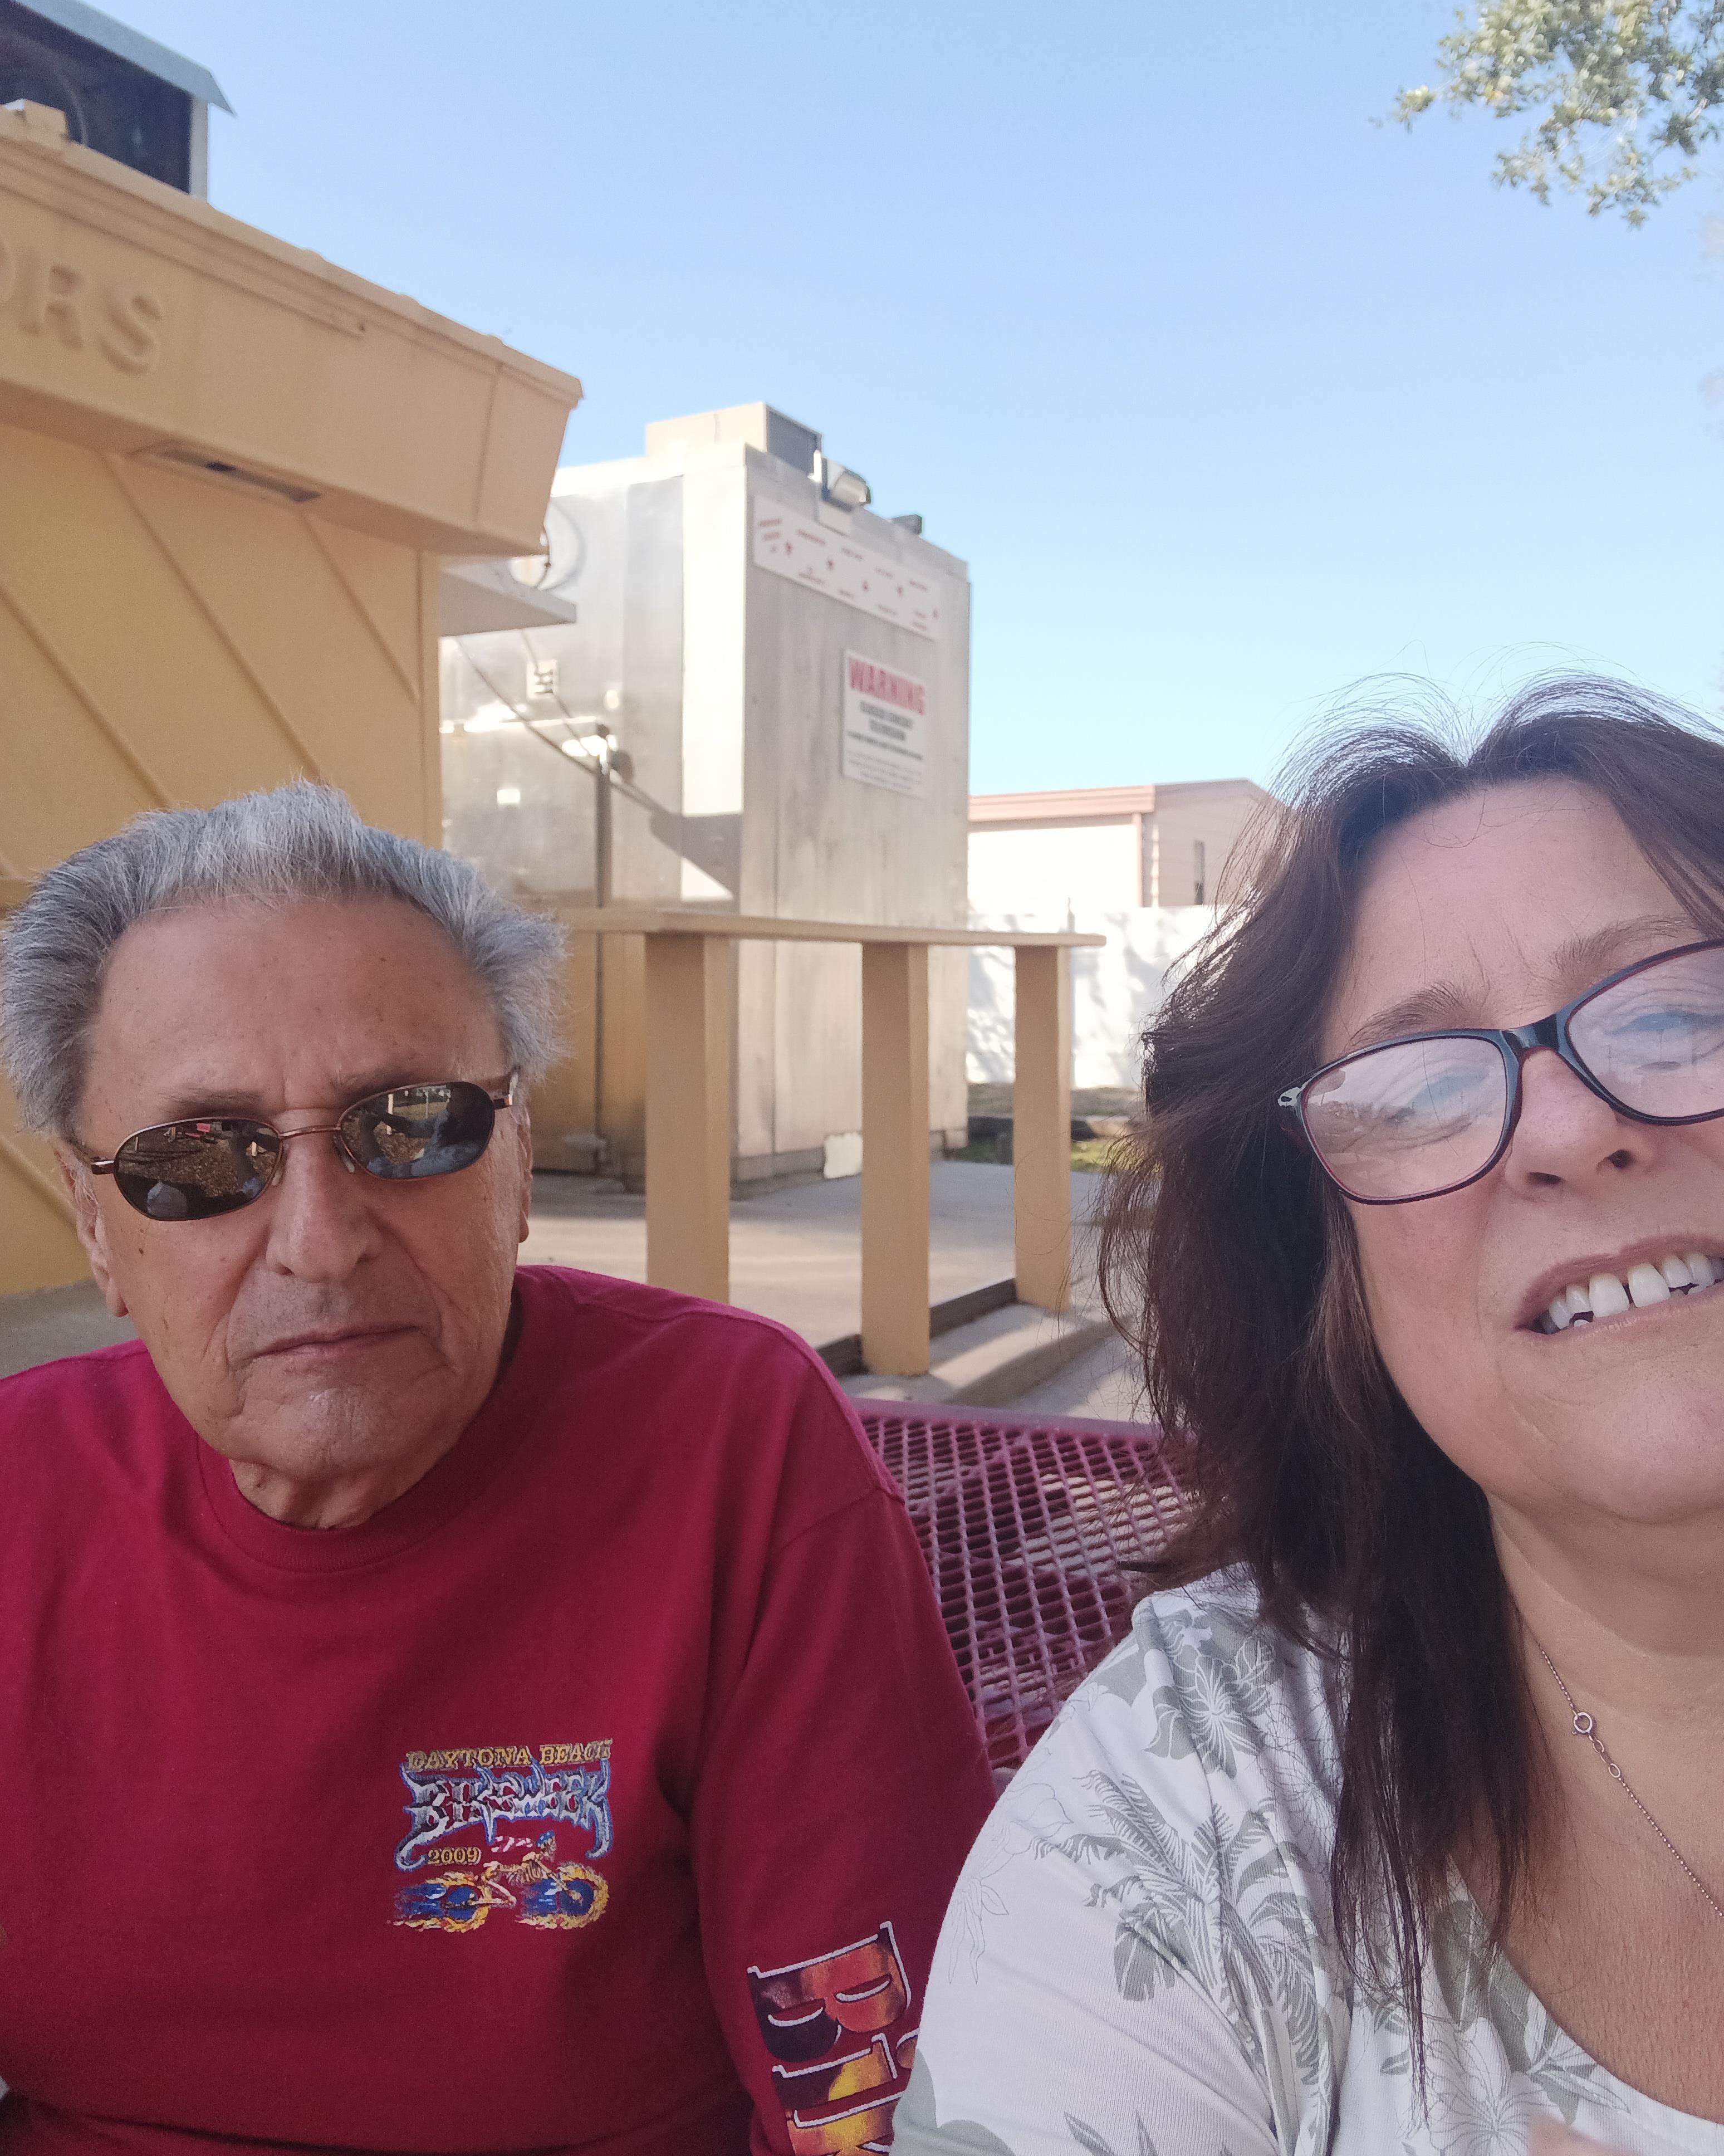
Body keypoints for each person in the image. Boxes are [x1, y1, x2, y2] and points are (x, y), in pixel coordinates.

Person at [0, 783, 995, 2154]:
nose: (320, 1240)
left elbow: (866, 2106)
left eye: (409, 1123)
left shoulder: (734, 1451)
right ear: (96, 1227)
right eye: (200, 1160)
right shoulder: (20, 1498)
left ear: (517, 1161)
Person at [898, 681, 1724, 2155]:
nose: (1568, 1127)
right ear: (1336, 1282)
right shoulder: (1192, 1802)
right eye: (1414, 1095)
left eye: (1674, 1011)